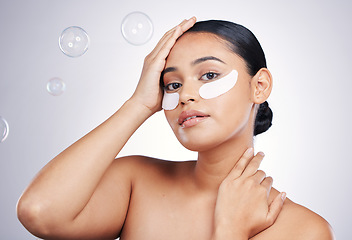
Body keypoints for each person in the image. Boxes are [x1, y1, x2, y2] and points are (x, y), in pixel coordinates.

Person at [17, 17, 334, 240]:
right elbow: (39, 212)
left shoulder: (304, 230)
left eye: (209, 75)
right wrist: (138, 105)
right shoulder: (135, 183)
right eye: (173, 83)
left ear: (260, 86)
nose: (185, 95)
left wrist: (230, 231)